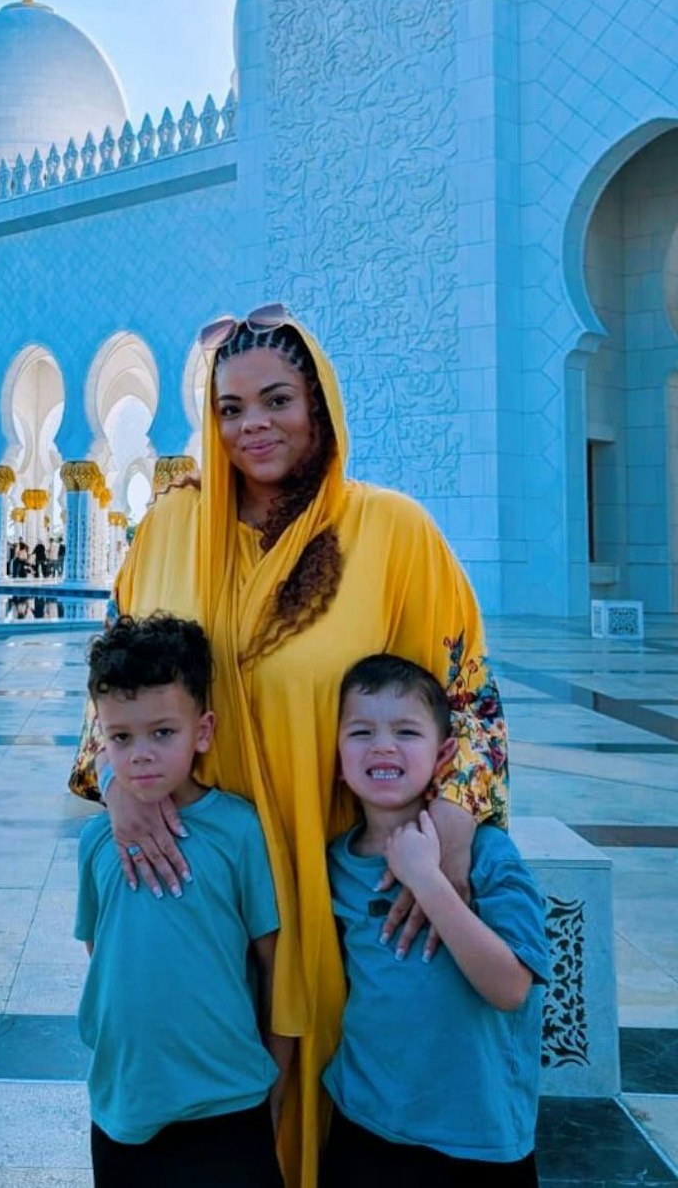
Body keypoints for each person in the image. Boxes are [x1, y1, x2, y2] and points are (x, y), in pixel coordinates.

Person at [67, 307, 509, 1188]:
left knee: (345, 1120)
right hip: (201, 886)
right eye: (230, 408)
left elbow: (469, 700)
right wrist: (118, 781)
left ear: (322, 404)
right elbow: (113, 687)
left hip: (344, 891)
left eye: (277, 399)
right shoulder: (168, 531)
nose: (252, 426)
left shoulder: (394, 534)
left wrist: (454, 825)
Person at [76, 614, 289, 1187]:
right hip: (125, 1101)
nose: (141, 754)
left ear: (203, 730)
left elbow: (274, 963)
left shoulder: (238, 832)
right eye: (122, 737)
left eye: (162, 732)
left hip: (228, 1100)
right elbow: (101, 949)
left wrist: (276, 1084)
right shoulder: (97, 838)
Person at [323, 655, 547, 1185]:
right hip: (366, 1124)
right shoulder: (334, 864)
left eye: (406, 731)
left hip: (477, 1139)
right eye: (361, 732)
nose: (383, 746)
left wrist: (429, 880)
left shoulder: (490, 855)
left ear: (445, 753)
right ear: (336, 760)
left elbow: (511, 987)